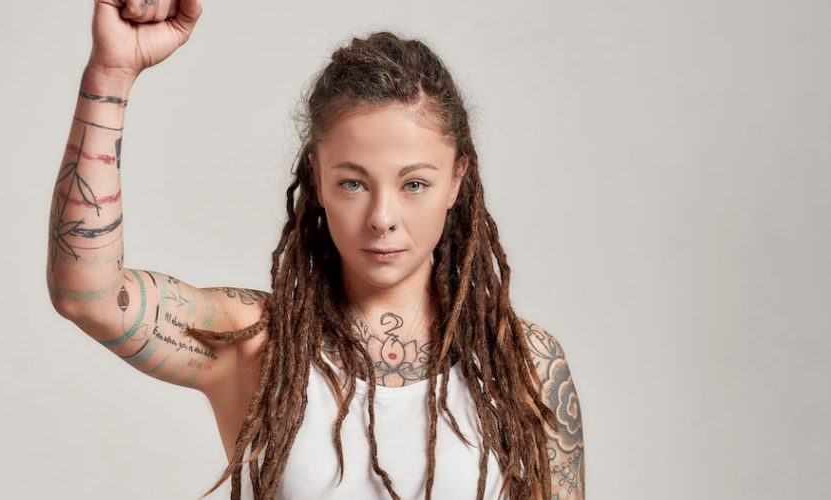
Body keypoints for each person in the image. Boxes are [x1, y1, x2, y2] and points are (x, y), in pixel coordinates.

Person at [46, 1, 584, 498]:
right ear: (318, 181)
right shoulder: (256, 344)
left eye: (414, 184)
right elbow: (90, 296)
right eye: (353, 182)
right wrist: (110, 74)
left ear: (456, 180)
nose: (382, 218)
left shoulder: (526, 365)